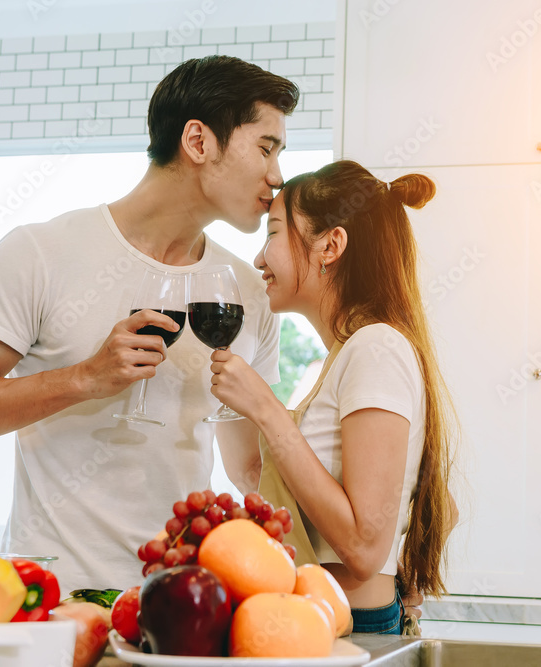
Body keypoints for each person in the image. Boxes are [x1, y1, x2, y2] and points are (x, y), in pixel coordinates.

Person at [0, 56, 300, 591]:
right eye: (266, 149)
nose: (277, 177)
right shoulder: (42, 253)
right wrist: (83, 379)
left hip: (184, 605)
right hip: (53, 603)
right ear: (199, 142)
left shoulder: (246, 292)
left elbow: (249, 468)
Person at [209, 160, 458, 635]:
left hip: (352, 627)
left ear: (331, 245)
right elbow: (259, 475)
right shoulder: (351, 352)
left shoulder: (376, 347)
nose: (260, 259)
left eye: (274, 234)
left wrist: (265, 407)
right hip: (324, 620)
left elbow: (364, 548)